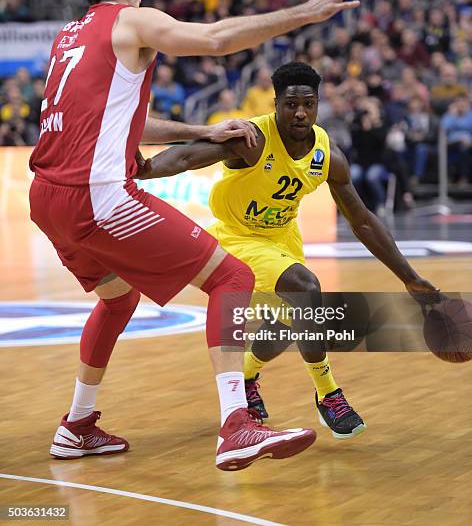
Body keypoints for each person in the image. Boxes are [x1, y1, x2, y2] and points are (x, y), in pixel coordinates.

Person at [28, 0, 363, 470]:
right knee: (230, 278)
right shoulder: (133, 20)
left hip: (45, 195)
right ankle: (237, 425)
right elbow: (214, 38)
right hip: (95, 194)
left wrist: (199, 131)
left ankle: (76, 425)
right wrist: (305, 12)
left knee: (118, 301)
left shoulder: (68, 38)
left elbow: (118, 123)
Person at [138, 62, 439, 438]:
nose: (300, 112)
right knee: (306, 288)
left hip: (282, 236)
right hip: (237, 236)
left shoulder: (328, 153)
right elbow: (186, 157)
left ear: (317, 105)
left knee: (289, 319)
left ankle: (247, 376)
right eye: (290, 104)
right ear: (276, 103)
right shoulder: (252, 139)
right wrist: (145, 169)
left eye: (308, 104)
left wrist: (410, 278)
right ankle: (328, 393)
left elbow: (361, 220)